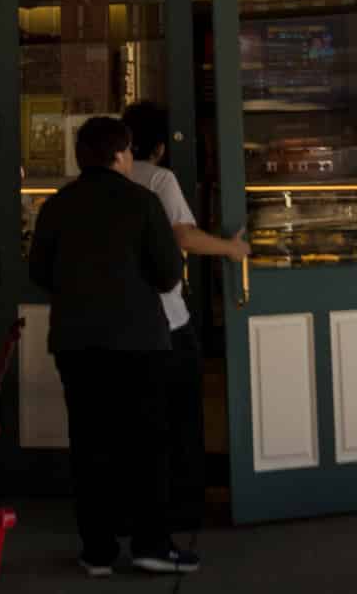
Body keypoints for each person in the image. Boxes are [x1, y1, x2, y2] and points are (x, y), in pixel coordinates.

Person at [30, 114, 196, 578]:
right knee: (147, 444)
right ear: (122, 154)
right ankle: (150, 544)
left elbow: (39, 272)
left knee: (89, 443)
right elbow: (168, 273)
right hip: (139, 342)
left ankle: (98, 549)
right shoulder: (142, 203)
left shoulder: (57, 206)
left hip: (76, 342)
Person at [121, 100, 250, 535]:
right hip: (165, 317)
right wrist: (233, 249)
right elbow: (184, 235)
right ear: (159, 146)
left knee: (133, 419)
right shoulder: (158, 178)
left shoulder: (101, 180)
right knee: (179, 418)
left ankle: (132, 508)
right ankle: (182, 507)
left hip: (116, 320)